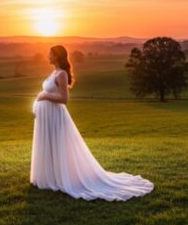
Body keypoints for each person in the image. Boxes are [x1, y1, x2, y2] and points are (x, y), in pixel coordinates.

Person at [30, 45, 154, 201]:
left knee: (58, 145)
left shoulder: (61, 74)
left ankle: (63, 178)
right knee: (49, 145)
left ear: (57, 56)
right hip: (47, 117)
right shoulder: (53, 72)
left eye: (50, 54)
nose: (47, 56)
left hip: (55, 116)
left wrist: (44, 97)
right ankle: (52, 177)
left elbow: (64, 99)